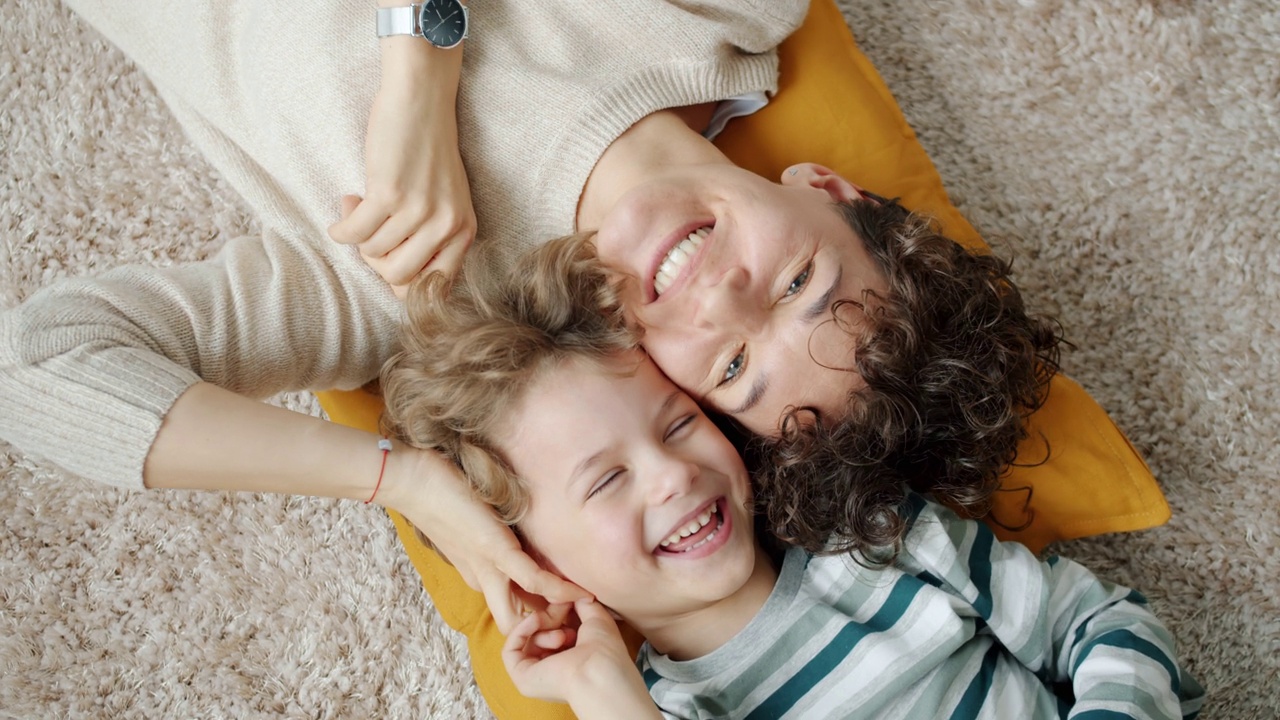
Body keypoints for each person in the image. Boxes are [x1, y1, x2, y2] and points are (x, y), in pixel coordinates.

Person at [0, 0, 1056, 629]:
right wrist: (421, 55)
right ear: (829, 191)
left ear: (667, 389)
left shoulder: (395, 285)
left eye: (730, 368)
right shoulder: (721, 14)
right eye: (796, 286)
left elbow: (41, 369)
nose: (721, 295)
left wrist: (402, 478)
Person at [378, 234, 1203, 719]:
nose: (672, 474)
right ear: (529, 559)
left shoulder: (875, 533)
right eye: (605, 482)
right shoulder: (668, 708)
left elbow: (1100, 625)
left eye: (679, 424)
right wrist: (599, 685)